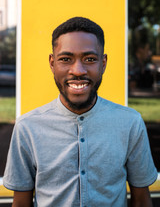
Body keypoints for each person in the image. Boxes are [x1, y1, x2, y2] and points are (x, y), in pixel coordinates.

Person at [3, 17, 157, 207]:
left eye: (89, 59)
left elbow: (142, 201)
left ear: (103, 63)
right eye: (65, 59)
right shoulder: (27, 127)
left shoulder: (130, 123)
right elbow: (20, 204)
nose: (77, 70)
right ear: (52, 63)